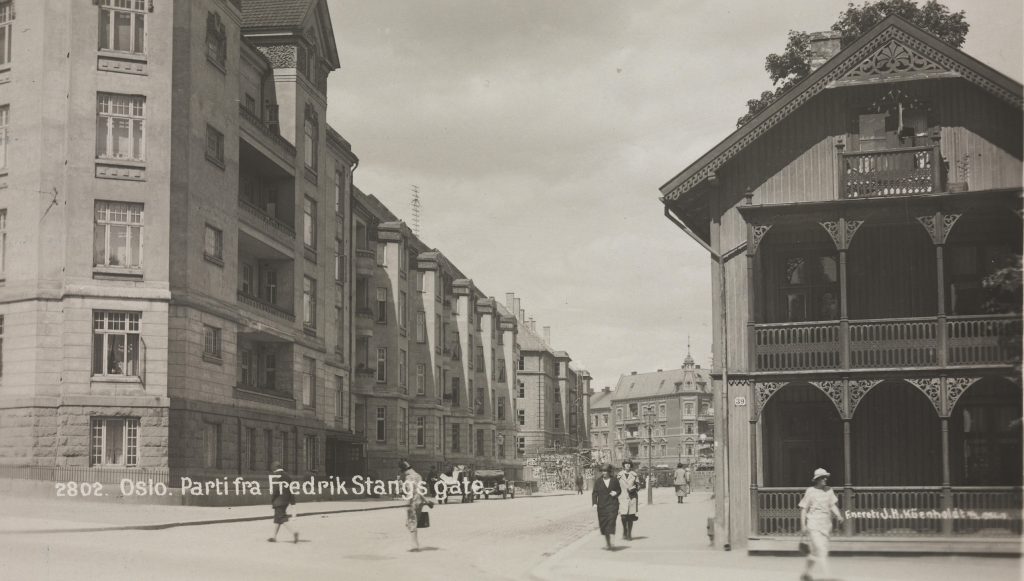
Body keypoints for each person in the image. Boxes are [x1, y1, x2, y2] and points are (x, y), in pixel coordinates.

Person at [799, 468, 845, 581]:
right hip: (813, 524)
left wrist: (838, 515)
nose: (825, 479)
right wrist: (803, 525)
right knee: (822, 550)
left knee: (815, 552)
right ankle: (827, 577)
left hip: (825, 525)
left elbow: (832, 505)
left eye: (826, 477)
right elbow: (804, 509)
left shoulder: (829, 490)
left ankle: (806, 573)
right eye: (822, 477)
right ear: (817, 479)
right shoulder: (810, 491)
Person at [400, 459, 434, 552]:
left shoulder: (409, 477)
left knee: (411, 523)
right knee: (412, 523)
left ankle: (414, 546)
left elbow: (411, 491)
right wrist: (426, 501)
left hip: (412, 502)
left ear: (405, 470)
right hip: (420, 502)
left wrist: (408, 502)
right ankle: (415, 544)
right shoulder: (418, 476)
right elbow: (420, 491)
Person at [591, 463, 621, 550]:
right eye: (602, 471)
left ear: (609, 472)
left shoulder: (614, 480)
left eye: (605, 471)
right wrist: (594, 503)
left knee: (611, 523)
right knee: (604, 525)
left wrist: (616, 493)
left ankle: (612, 542)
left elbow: (619, 490)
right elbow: (594, 493)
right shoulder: (598, 481)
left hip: (612, 505)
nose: (603, 473)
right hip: (602, 506)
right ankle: (608, 543)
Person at [268, 461, 299, 543]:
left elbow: (275, 490)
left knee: (282, 518)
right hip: (286, 501)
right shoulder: (288, 477)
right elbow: (291, 490)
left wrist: (272, 500)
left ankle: (294, 532)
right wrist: (292, 502)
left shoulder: (276, 476)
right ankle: (273, 537)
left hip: (278, 501)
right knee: (278, 519)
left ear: (274, 469)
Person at [617, 459, 639, 540]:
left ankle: (629, 533)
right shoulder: (619, 475)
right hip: (622, 497)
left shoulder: (634, 475)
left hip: (632, 497)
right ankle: (625, 530)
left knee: (630, 516)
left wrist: (634, 488)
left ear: (631, 465)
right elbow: (616, 486)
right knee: (623, 516)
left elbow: (638, 486)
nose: (627, 465)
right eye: (626, 464)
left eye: (629, 464)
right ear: (623, 465)